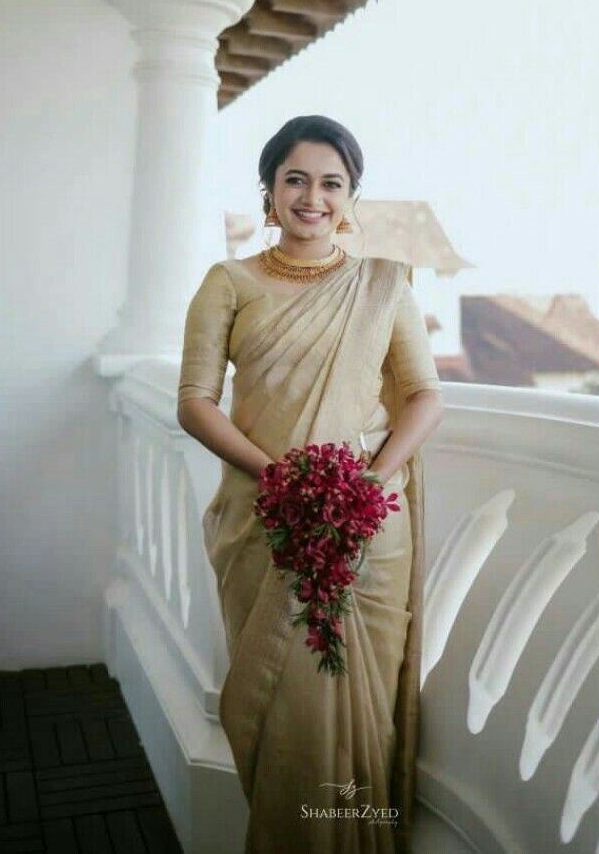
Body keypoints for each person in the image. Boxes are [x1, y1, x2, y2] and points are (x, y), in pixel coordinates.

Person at [176, 115, 444, 854]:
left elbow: (423, 396)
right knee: (284, 709)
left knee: (362, 710)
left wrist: (367, 486)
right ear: (269, 191)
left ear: (350, 196)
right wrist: (280, 479)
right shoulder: (228, 283)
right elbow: (195, 400)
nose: (312, 197)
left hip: (364, 528)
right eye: (295, 179)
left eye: (331, 183)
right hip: (266, 519)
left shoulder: (383, 285)